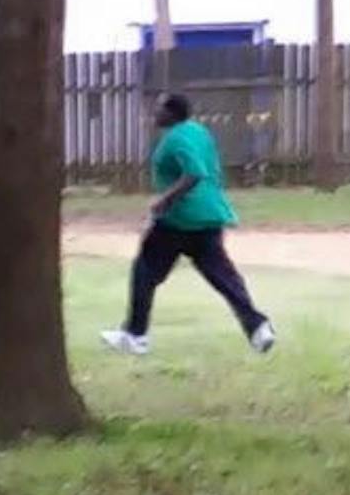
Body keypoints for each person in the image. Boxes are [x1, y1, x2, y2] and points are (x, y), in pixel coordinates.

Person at [101, 93, 277, 355]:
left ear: (172, 113)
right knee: (224, 277)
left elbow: (195, 172)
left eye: (159, 109)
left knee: (144, 272)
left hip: (178, 219)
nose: (155, 113)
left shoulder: (175, 138)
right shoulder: (198, 131)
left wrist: (165, 200)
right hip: (208, 216)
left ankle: (135, 336)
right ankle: (258, 327)